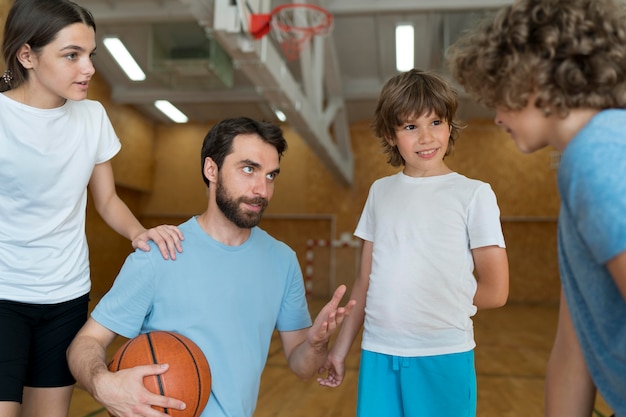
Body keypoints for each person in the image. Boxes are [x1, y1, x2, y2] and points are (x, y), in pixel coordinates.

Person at [66, 116, 356, 417]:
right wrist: (102, 384)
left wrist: (316, 344)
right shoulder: (159, 253)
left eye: (271, 176)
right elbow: (85, 343)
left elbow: (301, 366)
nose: (262, 189)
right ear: (211, 169)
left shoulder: (283, 261)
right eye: (249, 169)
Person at [0, 1, 184, 416]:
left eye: (90, 55)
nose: (89, 68)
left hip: (65, 297)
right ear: (27, 55)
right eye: (72, 55)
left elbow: (107, 199)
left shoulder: (93, 117)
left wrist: (139, 232)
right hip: (3, 294)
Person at [446, 1, 626, 416]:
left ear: (533, 77)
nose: (495, 117)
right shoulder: (589, 160)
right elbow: (573, 342)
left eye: (498, 94)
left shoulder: (598, 154)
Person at [316, 68, 510, 417]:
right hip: (378, 354)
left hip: (443, 355)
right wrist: (340, 350)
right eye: (410, 126)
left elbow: (496, 290)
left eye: (436, 122)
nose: (425, 137)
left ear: (450, 125)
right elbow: (365, 282)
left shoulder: (474, 194)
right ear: (391, 135)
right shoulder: (380, 192)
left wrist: (431, 301)